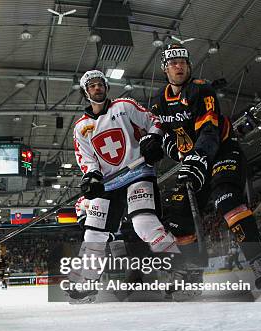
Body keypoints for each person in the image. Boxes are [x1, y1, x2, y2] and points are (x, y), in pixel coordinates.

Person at [145, 43, 261, 296]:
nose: (178, 66)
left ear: (189, 65)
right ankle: (190, 270)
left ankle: (258, 263)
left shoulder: (201, 90)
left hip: (221, 152)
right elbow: (163, 135)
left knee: (228, 199)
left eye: (183, 61)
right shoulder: (160, 102)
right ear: (165, 69)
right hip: (194, 160)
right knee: (177, 214)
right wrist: (155, 143)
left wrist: (196, 158)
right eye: (173, 63)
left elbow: (209, 131)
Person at [68, 70, 183, 301]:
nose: (97, 88)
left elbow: (154, 122)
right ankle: (88, 280)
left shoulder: (124, 105)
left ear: (106, 87)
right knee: (93, 233)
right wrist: (91, 177)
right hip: (109, 184)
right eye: (92, 86)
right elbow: (87, 159)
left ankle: (179, 270)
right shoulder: (81, 128)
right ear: (85, 92)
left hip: (137, 171)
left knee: (144, 223)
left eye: (100, 84)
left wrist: (153, 139)